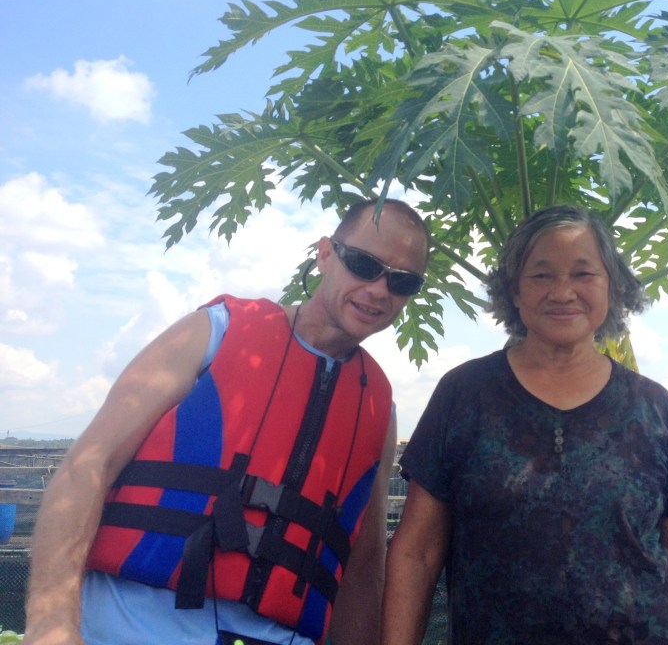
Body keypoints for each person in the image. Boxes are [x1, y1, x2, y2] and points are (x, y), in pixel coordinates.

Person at [23, 198, 430, 645]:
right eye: (363, 263)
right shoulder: (215, 330)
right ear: (326, 254)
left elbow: (363, 567)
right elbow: (88, 465)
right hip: (123, 627)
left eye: (402, 281)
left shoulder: (377, 407)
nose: (378, 289)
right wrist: (51, 622)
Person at [383, 205, 668, 645]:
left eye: (583, 274)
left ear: (612, 287)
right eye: (541, 275)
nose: (563, 292)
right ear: (515, 291)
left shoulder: (651, 406)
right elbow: (417, 554)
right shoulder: (464, 395)